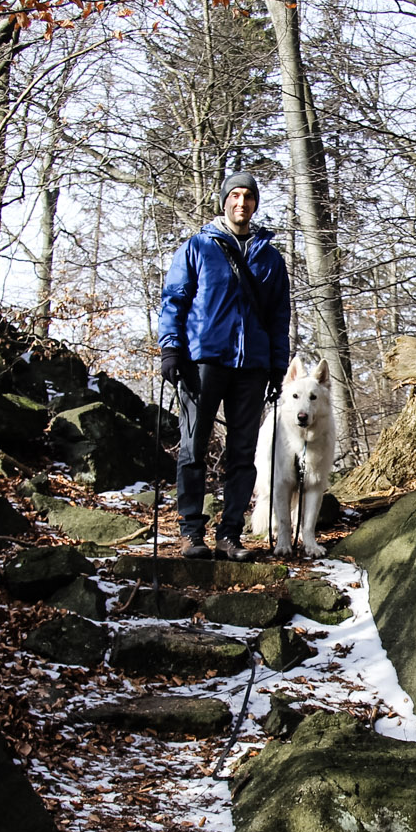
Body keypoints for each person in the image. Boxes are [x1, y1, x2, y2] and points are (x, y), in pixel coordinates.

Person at [158, 171, 291, 560]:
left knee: (242, 454)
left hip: (252, 366)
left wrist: (277, 366)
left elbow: (279, 316)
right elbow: (174, 300)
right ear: (224, 201)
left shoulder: (270, 258)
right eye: (235, 195)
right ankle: (191, 532)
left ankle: (230, 535)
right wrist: (171, 350)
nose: (241, 202)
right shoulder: (197, 247)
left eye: (248, 196)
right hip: (203, 361)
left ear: (255, 204)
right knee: (193, 447)